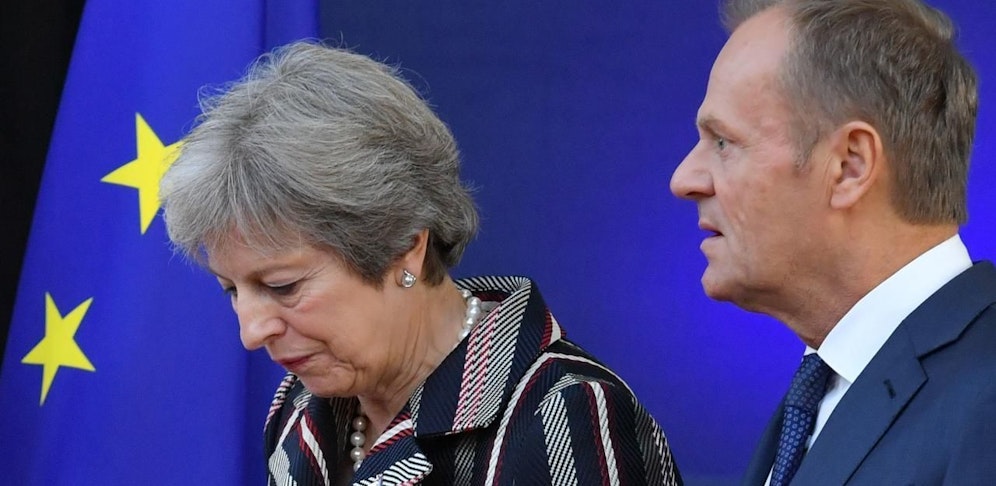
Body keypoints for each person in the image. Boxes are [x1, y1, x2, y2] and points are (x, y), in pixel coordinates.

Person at [160, 41, 681, 485]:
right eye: (232, 289)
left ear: (403, 244)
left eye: (283, 285)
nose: (252, 332)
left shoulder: (565, 417)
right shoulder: (299, 406)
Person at [670, 0, 995, 484]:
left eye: (723, 142)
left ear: (849, 166)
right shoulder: (825, 387)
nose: (685, 180)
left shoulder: (984, 399)